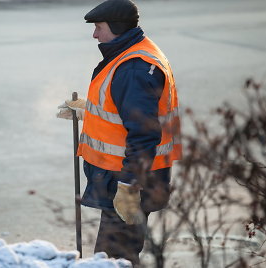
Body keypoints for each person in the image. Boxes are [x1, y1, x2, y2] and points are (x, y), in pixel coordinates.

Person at [57, 0, 182, 265]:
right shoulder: (135, 52)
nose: (95, 34)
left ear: (115, 27)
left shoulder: (134, 68)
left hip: (128, 182)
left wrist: (129, 187)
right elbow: (123, 112)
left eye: (98, 27)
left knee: (113, 259)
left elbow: (143, 133)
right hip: (125, 178)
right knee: (115, 255)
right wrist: (86, 111)